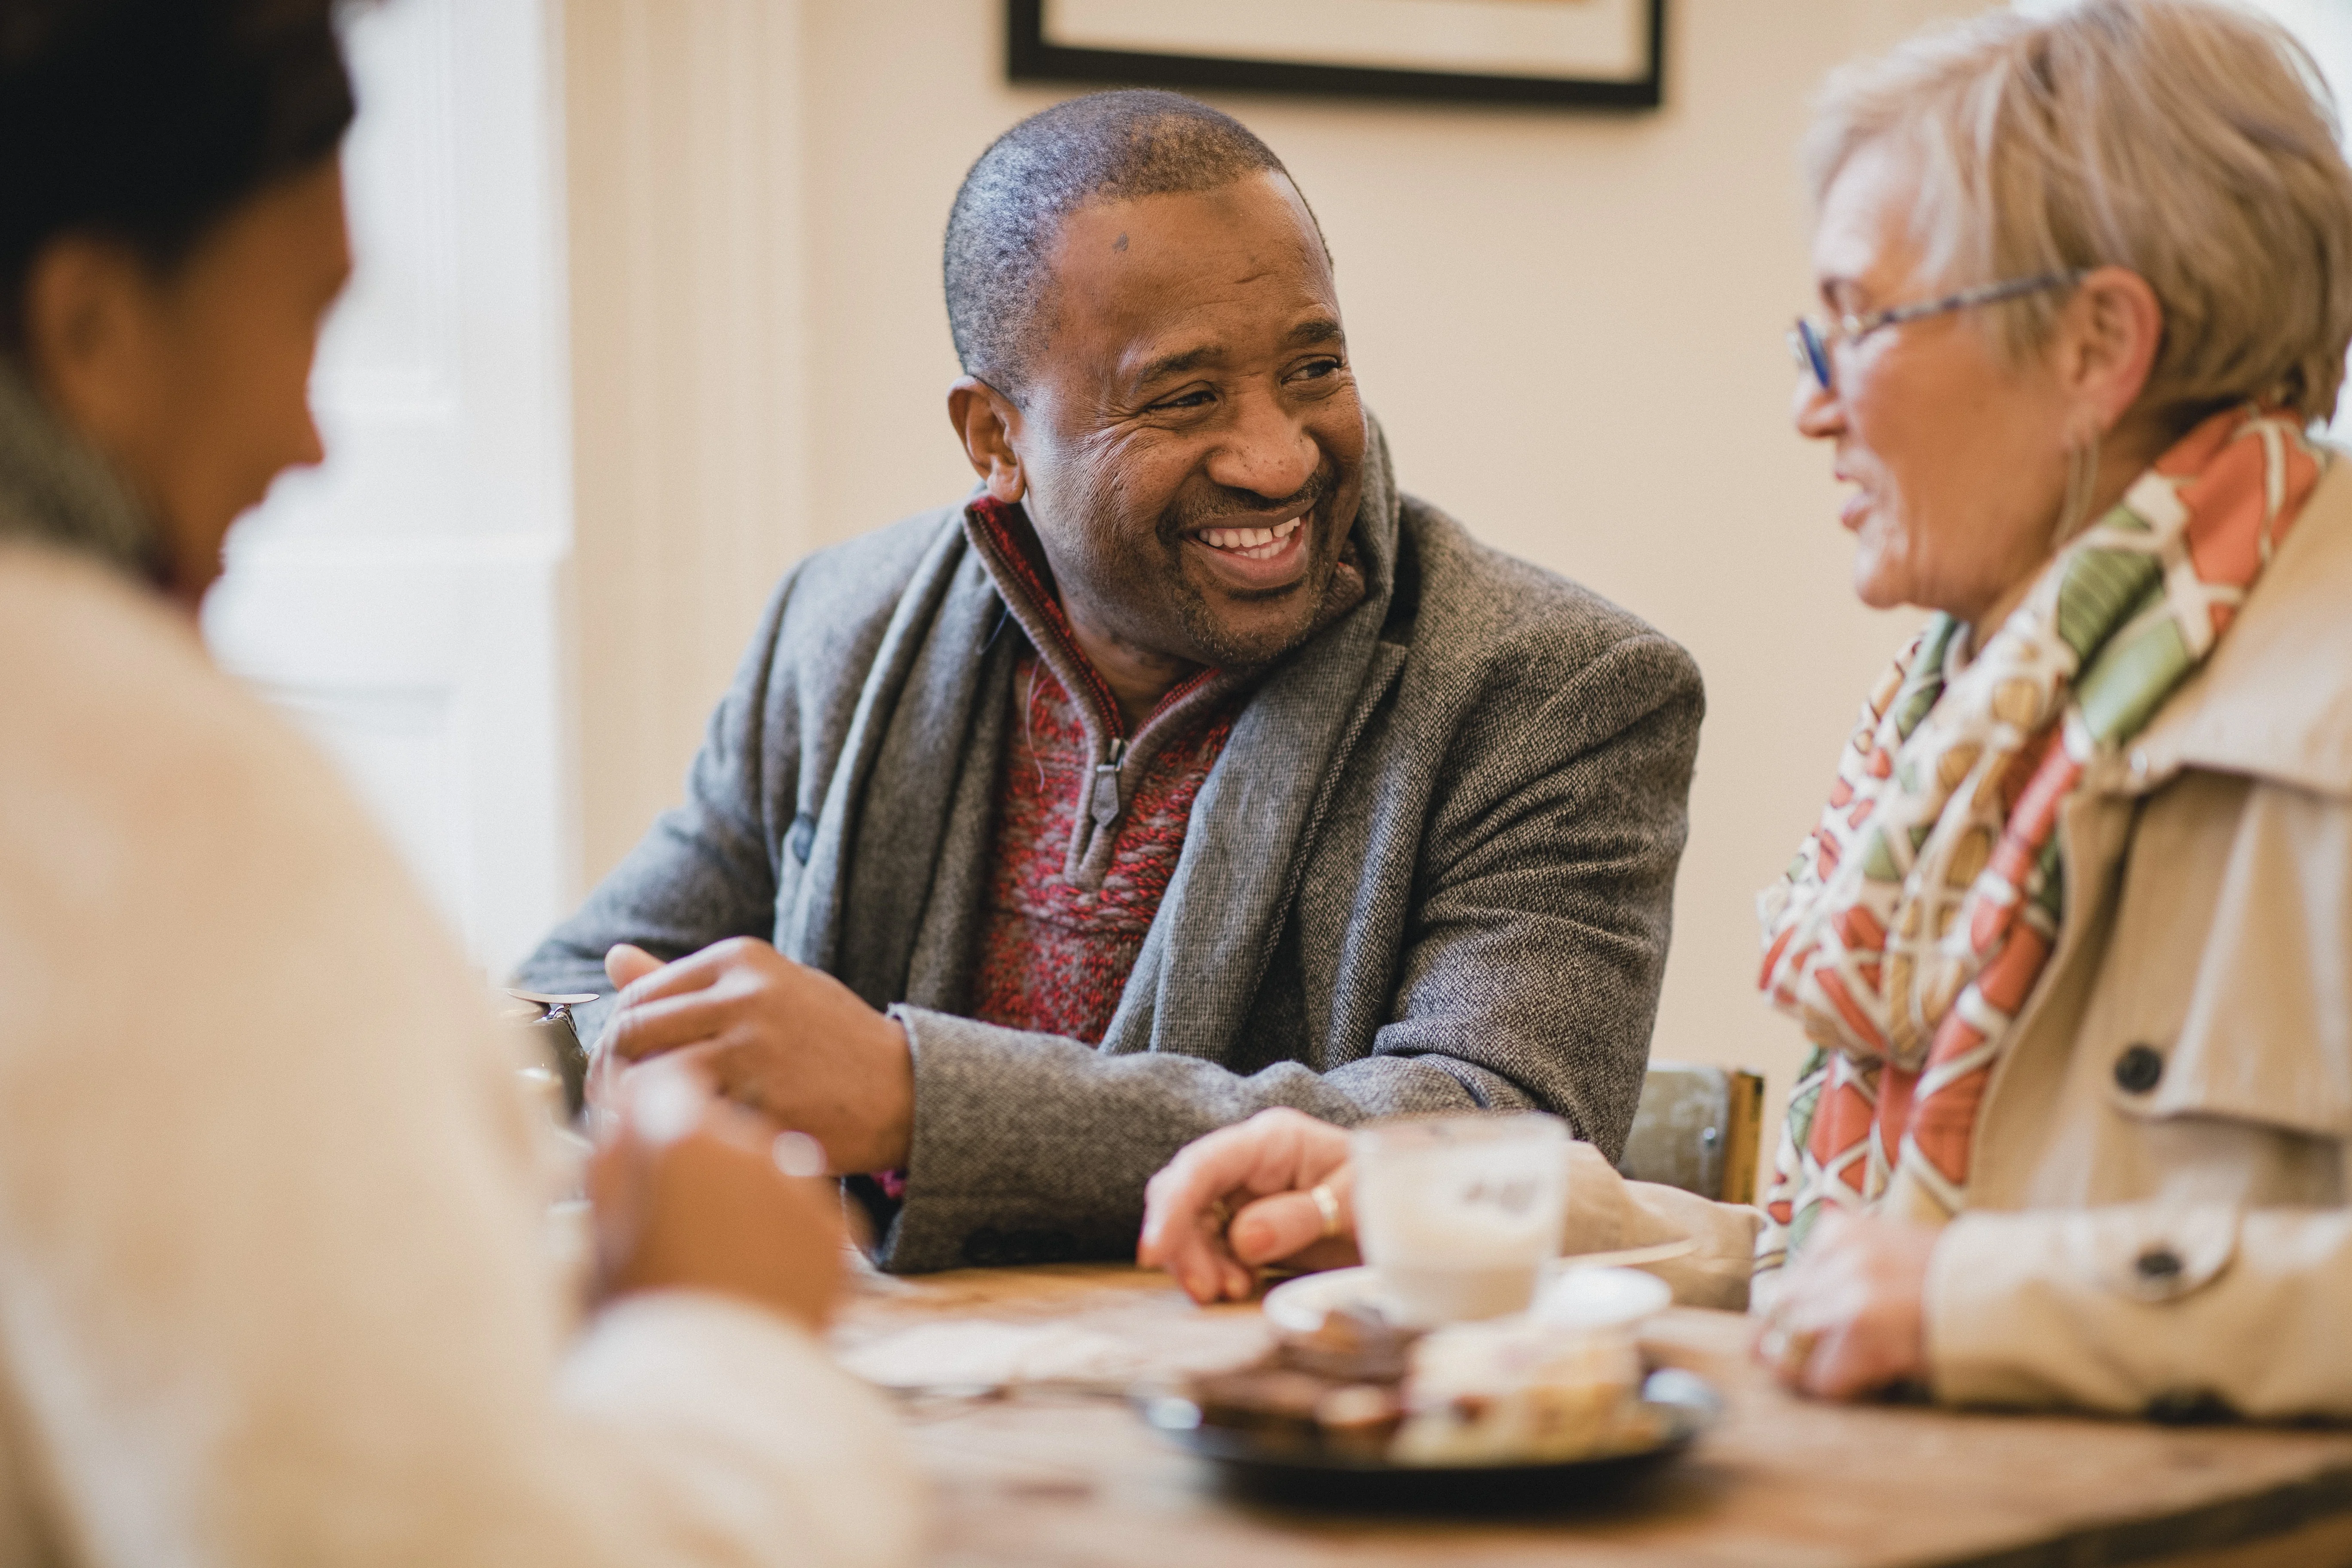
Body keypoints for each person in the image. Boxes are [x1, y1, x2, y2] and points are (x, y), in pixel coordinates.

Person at [1140, 0, 2352, 1421]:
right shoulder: (1987, 716)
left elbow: (1953, 1288)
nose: (1811, 406)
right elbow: (1847, 1274)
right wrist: (1443, 1210)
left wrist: (1982, 1307)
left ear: (2096, 347)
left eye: (1857, 325)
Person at [0, 3, 919, 1561]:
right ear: (92, 331)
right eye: (304, 317)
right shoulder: (137, 804)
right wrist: (728, 1332)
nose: (311, 440)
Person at [516, 91, 1706, 1274]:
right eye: (1185, 396)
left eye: (1315, 366)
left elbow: (1496, 1128)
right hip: (877, 1402)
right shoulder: (835, 628)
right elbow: (574, 995)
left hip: (1290, 1425)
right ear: (995, 439)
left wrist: (918, 1101)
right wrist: (657, 1056)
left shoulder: (1560, 690)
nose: (1277, 454)